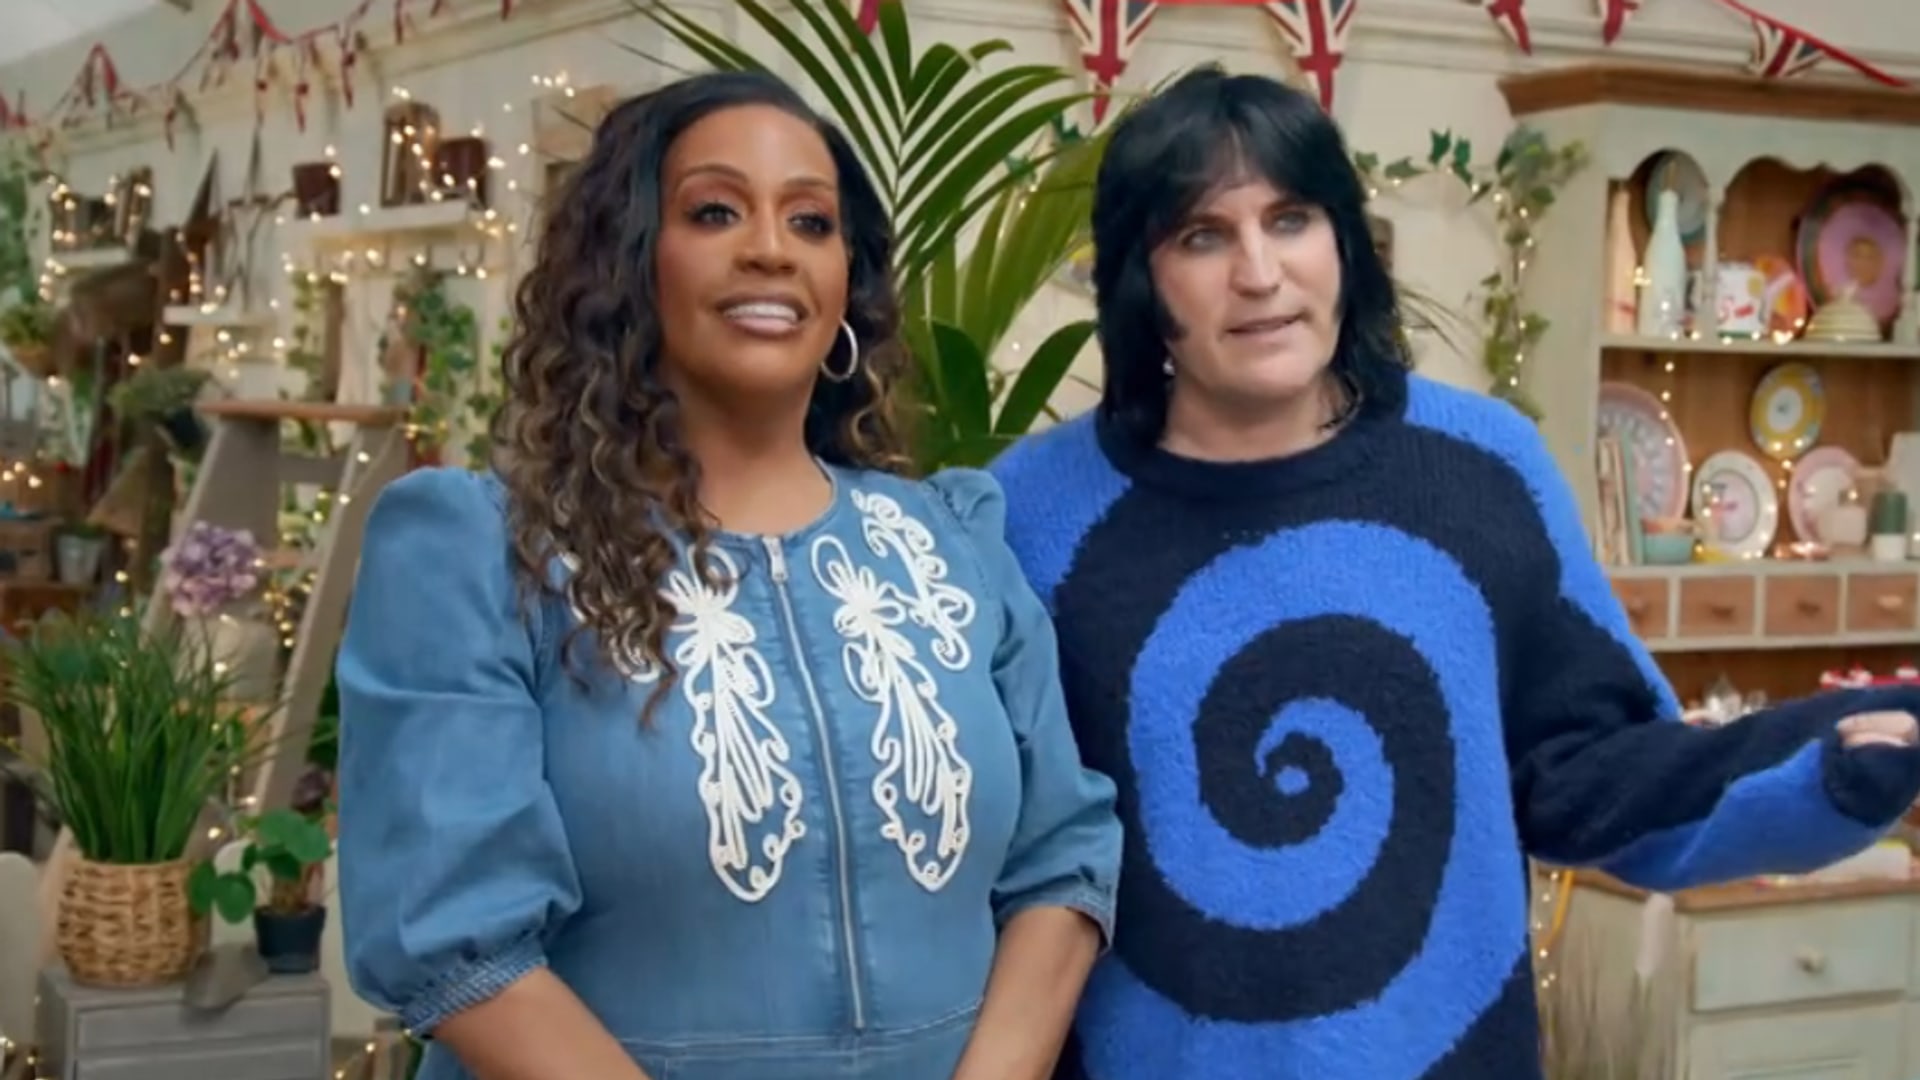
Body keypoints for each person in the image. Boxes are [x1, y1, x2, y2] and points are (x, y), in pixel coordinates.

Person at [987, 66, 1920, 1080]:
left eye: (1291, 219)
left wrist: (1815, 761)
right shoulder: (1032, 516)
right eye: (1202, 237)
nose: (1259, 273)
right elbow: (989, 848)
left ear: (1344, 240)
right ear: (1142, 279)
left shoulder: (1479, 469)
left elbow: (1586, 770)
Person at [334, 70, 1122, 1080]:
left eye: (811, 221)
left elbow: (1062, 854)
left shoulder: (951, 539)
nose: (770, 249)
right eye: (715, 211)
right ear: (628, 265)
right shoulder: (481, 553)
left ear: (848, 282)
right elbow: (456, 939)